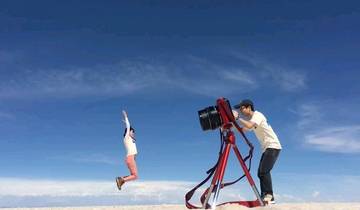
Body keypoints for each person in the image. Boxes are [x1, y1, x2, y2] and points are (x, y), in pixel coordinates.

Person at [233, 99, 281, 204]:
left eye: (242, 108)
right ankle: (264, 196)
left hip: (273, 146)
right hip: (267, 148)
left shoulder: (257, 115)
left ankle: (269, 196)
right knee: (261, 172)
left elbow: (249, 125)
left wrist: (237, 117)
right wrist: (229, 127)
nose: (241, 111)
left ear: (249, 107)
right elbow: (243, 129)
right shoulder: (252, 120)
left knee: (263, 171)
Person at [116, 110, 138, 190]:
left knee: (133, 175)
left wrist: (134, 158)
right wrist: (126, 117)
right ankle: (121, 179)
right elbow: (128, 126)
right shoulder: (127, 138)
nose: (133, 133)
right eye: (132, 132)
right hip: (130, 158)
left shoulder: (131, 140)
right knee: (135, 176)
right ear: (128, 132)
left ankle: (121, 179)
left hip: (131, 158)